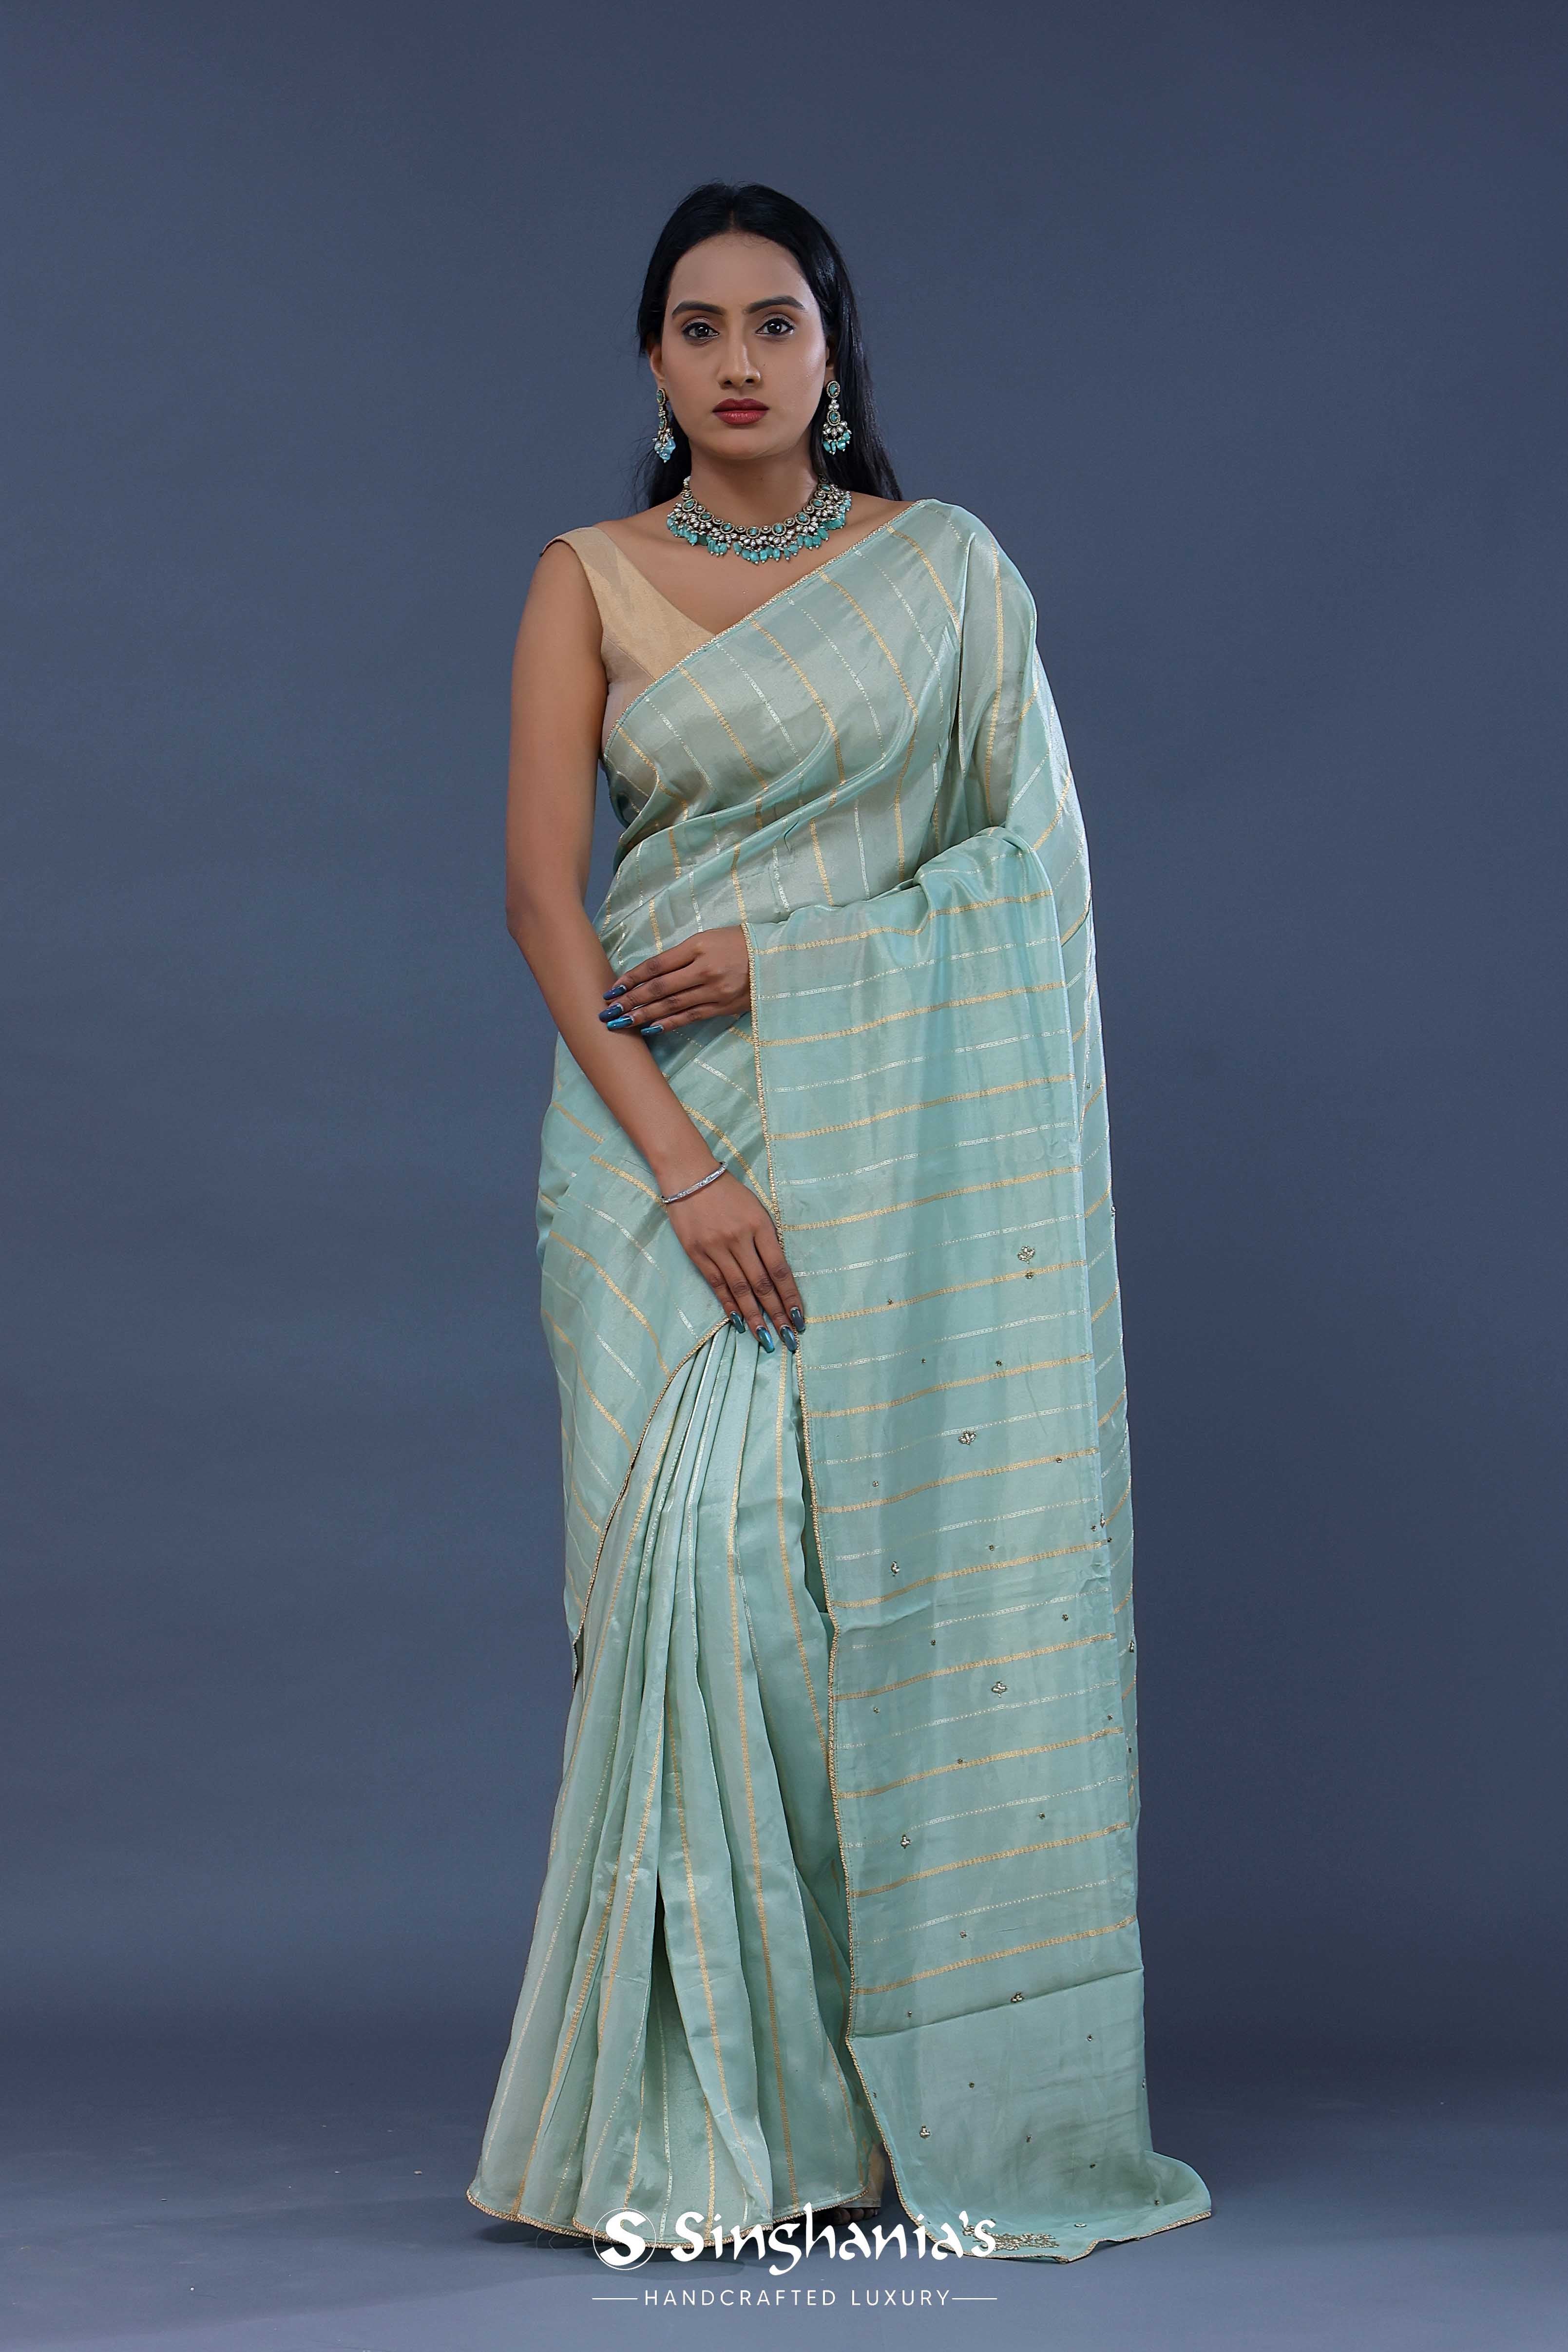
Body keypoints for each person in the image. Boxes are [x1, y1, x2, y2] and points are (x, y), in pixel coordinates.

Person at [467, 180, 1211, 2262]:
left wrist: (797, 963)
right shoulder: (584, 578)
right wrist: (689, 1171)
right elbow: (540, 898)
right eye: (696, 326)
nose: (736, 361)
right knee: (706, 1593)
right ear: (651, 361)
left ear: (830, 349)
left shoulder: (944, 573)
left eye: (773, 323)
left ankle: (877, 2097)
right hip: (658, 1136)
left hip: (892, 1142)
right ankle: (719, 2118)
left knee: (839, 1604)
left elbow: (1028, 874)